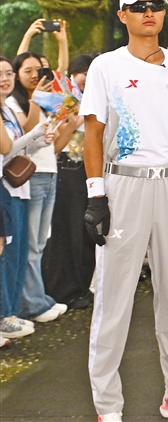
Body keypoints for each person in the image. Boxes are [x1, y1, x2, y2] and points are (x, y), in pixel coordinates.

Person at [81, 0, 168, 421]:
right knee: (114, 299)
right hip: (123, 185)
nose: (150, 13)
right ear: (123, 14)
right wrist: (96, 196)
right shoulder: (106, 66)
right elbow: (93, 133)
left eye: (156, 5)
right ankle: (107, 405)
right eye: (140, 6)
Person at [7, 51, 70, 323]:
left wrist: (69, 123)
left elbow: (53, 146)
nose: (35, 75)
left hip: (49, 172)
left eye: (39, 70)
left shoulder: (43, 101)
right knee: (31, 243)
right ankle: (32, 304)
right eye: (27, 71)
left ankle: (38, 298)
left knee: (41, 241)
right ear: (17, 74)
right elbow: (24, 135)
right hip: (29, 176)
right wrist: (35, 100)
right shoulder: (14, 102)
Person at [0, 56, 53, 340]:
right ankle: (4, 315)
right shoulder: (7, 109)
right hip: (5, 190)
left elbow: (16, 152)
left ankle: (12, 310)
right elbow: (6, 149)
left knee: (20, 253)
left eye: (8, 73)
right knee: (7, 255)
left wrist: (37, 141)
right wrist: (33, 134)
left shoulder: (6, 111)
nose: (5, 79)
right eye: (1, 74)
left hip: (18, 187)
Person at [42, 54, 96, 309]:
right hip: (67, 167)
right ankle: (64, 290)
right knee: (68, 231)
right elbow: (55, 137)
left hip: (89, 169)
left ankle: (81, 286)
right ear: (74, 74)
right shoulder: (65, 97)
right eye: (84, 74)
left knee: (86, 232)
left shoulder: (96, 97)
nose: (87, 80)